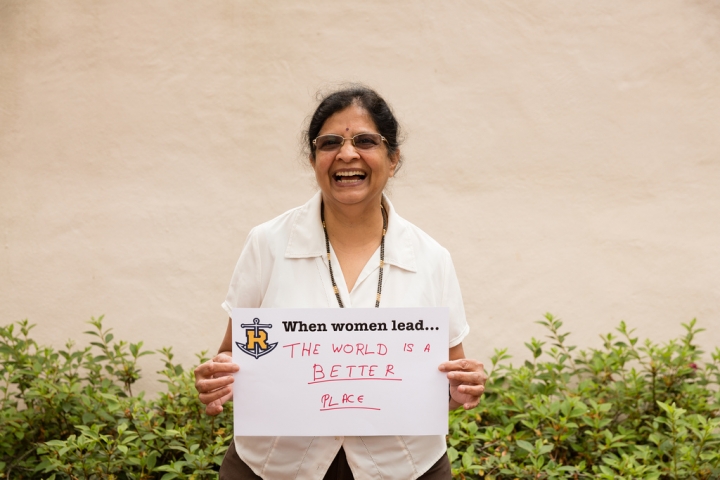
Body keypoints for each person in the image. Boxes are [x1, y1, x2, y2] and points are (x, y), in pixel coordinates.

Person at [194, 85, 487, 480]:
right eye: (330, 143)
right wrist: (218, 377)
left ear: (393, 159)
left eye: (365, 141)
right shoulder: (267, 244)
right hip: (272, 468)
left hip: (404, 469)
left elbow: (447, 380)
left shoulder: (432, 258)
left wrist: (461, 388)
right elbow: (233, 355)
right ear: (314, 159)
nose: (347, 154)